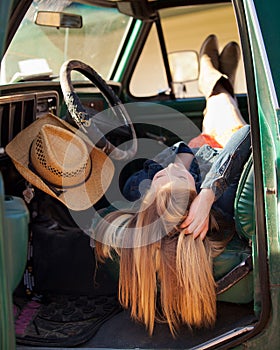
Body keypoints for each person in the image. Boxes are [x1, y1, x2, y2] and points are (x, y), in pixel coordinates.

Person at [90, 34, 252, 336]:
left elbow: (175, 151)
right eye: (175, 175)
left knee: (209, 117)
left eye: (160, 177)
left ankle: (216, 81)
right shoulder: (217, 202)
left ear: (148, 195)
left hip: (198, 149)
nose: (166, 171)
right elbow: (245, 137)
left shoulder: (142, 190)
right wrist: (208, 192)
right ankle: (215, 83)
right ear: (194, 198)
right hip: (222, 152)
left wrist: (180, 164)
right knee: (222, 108)